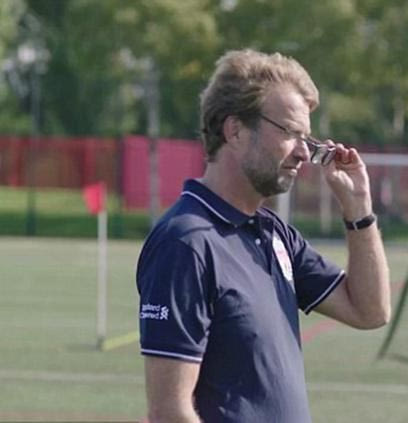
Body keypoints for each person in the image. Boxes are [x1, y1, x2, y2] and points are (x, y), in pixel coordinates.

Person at [136, 49, 391, 423]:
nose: (303, 152)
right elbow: (169, 412)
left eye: (306, 138)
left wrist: (359, 209)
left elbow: (370, 311)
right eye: (289, 132)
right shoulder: (186, 242)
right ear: (235, 130)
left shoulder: (274, 233)